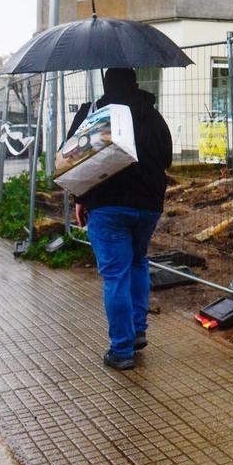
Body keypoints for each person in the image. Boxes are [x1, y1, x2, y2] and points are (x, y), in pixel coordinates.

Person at [70, 69, 172, 371]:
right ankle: (138, 332)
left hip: (107, 205)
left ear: (106, 85)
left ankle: (121, 350)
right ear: (135, 82)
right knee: (139, 261)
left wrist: (79, 199)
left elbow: (73, 159)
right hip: (148, 206)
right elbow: (166, 157)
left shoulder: (95, 114)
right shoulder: (152, 115)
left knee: (115, 275)